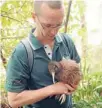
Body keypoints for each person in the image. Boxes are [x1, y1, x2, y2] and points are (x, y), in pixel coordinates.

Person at [5, 0, 80, 108]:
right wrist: (52, 89)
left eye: (58, 25)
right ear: (34, 17)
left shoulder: (66, 41)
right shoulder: (22, 53)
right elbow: (14, 100)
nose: (54, 32)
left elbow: (77, 68)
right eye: (47, 25)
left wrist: (73, 83)